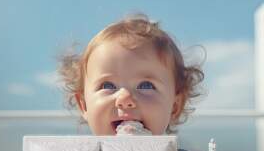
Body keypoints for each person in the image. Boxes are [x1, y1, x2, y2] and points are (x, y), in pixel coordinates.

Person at [58, 14, 204, 136]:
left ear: (174, 106)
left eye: (145, 85)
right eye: (107, 85)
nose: (124, 98)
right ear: (84, 105)